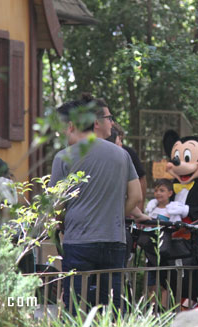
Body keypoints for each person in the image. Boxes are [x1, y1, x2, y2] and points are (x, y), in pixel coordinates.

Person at [49, 95, 142, 312]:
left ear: (71, 125)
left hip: (78, 241)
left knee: (74, 305)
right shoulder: (121, 155)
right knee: (111, 307)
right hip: (114, 240)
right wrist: (114, 214)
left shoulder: (63, 158)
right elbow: (136, 196)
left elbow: (56, 205)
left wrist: (62, 221)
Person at [108, 122, 147, 211]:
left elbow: (141, 180)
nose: (121, 144)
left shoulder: (128, 153)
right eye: (119, 140)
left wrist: (139, 209)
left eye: (121, 140)